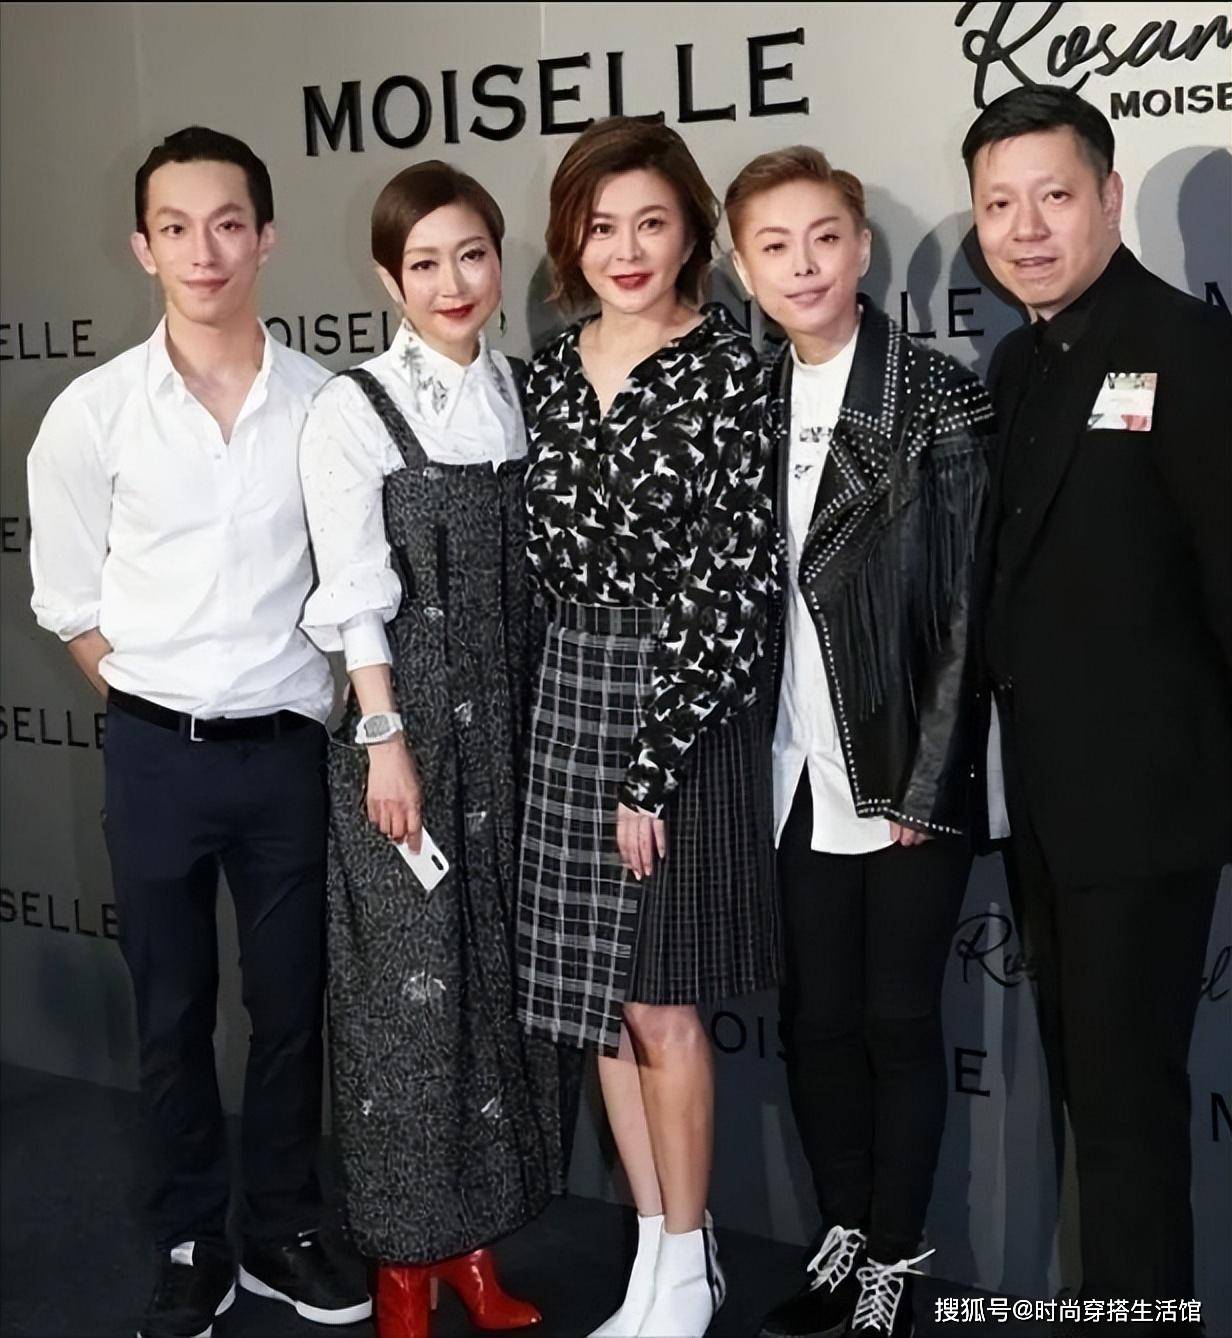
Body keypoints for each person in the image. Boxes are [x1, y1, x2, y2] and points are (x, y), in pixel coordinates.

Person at [26, 127, 370, 1338]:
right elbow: (67, 599)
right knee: (171, 1012)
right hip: (154, 756)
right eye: (175, 228)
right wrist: (151, 701)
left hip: (287, 755)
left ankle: (281, 1225)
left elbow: (356, 581)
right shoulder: (92, 413)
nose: (204, 251)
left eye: (227, 223)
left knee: (291, 1009)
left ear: (266, 237)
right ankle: (191, 1235)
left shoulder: (328, 407)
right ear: (142, 247)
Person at [963, 86, 1231, 1318]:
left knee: (1125, 1119)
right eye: (998, 205)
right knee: (1090, 1101)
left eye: (1052, 197)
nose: (1024, 230)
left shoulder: (1189, 348)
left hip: (1145, 813)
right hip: (1045, 813)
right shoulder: (1017, 361)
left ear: (1108, 199)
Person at [515, 116, 779, 1338]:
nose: (624, 250)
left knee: (662, 1004)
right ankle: (660, 1250)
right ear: (571, 238)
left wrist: (651, 767)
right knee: (600, 1009)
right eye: (600, 226)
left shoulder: (731, 370)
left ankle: (686, 1260)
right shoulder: (544, 373)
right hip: (567, 692)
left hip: (679, 702)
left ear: (691, 236)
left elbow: (731, 583)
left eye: (651, 224)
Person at [725, 147, 995, 1338]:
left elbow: (965, 616)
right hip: (786, 772)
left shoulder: (935, 398)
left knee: (895, 1022)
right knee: (815, 1022)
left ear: (860, 249)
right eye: (774, 246)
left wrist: (924, 784)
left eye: (822, 238)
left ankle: (894, 1257)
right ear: (742, 267)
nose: (802, 266)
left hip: (898, 774)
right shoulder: (745, 403)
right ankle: (840, 1233)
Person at [298, 160, 563, 1338]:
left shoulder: (524, 392)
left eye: (471, 254)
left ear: (498, 260)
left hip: (519, 732)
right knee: (404, 1009)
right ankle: (402, 1268)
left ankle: (472, 1252)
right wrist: (383, 744)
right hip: (407, 737)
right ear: (385, 278)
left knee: (494, 996)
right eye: (423, 262)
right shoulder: (353, 408)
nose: (452, 281)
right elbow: (354, 592)